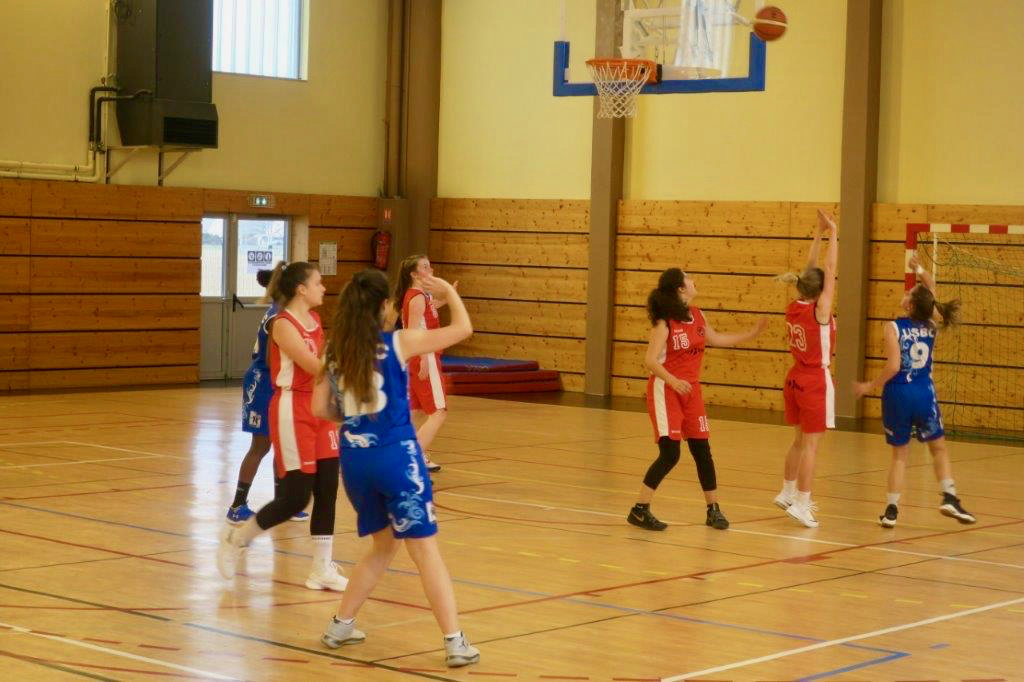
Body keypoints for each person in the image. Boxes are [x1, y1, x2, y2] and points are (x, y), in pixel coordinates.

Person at [313, 269, 479, 668]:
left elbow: (320, 408)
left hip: (355, 460)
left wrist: (357, 421)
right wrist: (448, 293)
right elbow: (463, 329)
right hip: (396, 458)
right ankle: (455, 641)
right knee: (425, 551)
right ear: (384, 307)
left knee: (383, 546)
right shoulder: (399, 342)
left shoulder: (334, 351)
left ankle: (341, 625)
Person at [216, 261, 347, 591]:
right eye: (318, 283)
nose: (323, 288)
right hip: (293, 408)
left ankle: (321, 568)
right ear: (301, 289)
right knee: (295, 498)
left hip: (319, 407)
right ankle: (237, 539)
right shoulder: (283, 324)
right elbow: (314, 366)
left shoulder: (314, 320)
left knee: (328, 488)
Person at [628, 267, 768, 531]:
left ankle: (713, 509)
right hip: (666, 389)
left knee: (702, 450)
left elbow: (719, 339)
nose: (693, 281)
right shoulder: (664, 322)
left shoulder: (698, 315)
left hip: (691, 391)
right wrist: (673, 380)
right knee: (670, 454)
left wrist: (752, 333)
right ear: (680, 288)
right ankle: (639, 509)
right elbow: (650, 360)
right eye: (688, 278)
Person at [853, 254, 975, 527]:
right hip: (924, 394)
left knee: (899, 456)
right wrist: (919, 269)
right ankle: (949, 496)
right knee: (938, 449)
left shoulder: (893, 327)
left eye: (909, 292)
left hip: (898, 395)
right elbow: (931, 290)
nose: (906, 292)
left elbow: (893, 366)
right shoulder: (931, 324)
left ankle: (892, 510)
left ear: (910, 305)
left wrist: (870, 385)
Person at [226, 268, 308, 523]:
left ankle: (282, 503)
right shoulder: (278, 317)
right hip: (263, 383)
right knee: (261, 445)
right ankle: (237, 506)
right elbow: (274, 361)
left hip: (271, 383)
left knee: (280, 444)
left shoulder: (281, 310)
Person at [773, 210, 839, 528]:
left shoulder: (794, 306)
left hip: (794, 378)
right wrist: (833, 233)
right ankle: (801, 502)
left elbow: (810, 271)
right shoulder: (819, 310)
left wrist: (817, 233)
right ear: (821, 290)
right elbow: (829, 268)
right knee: (811, 445)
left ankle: (787, 491)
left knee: (799, 440)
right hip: (814, 380)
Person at [394, 254, 454, 473]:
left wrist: (448, 298)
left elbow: (428, 312)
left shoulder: (419, 295)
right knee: (439, 412)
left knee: (416, 410)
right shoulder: (417, 297)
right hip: (425, 356)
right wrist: (424, 358)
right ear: (414, 274)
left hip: (419, 356)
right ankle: (412, 457)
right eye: (425, 267)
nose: (431, 270)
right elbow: (413, 333)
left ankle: (397, 449)